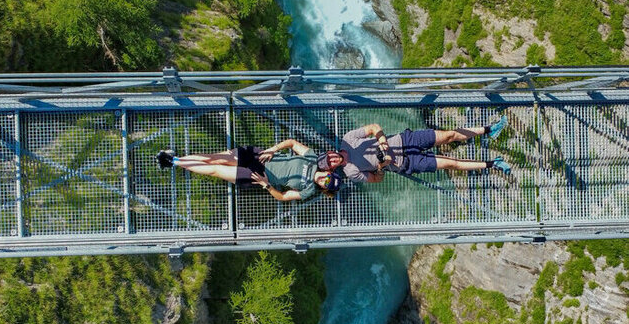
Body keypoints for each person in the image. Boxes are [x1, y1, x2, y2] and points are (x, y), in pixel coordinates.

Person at [318, 115, 511, 183]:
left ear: (330, 153)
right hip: (406, 163)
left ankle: (489, 130)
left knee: (448, 136)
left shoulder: (347, 139)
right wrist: (381, 166)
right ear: (333, 169)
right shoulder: (351, 172)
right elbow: (377, 179)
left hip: (405, 140)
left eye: (330, 158)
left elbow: (373, 128)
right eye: (331, 165)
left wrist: (383, 143)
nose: (333, 161)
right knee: (450, 164)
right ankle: (493, 164)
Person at [156, 138, 343, 202]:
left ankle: (172, 161)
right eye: (328, 178)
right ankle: (174, 159)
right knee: (213, 158)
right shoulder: (311, 158)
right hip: (259, 156)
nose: (323, 181)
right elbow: (292, 143)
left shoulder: (308, 190)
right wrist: (273, 149)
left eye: (327, 185)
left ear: (325, 188)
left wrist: (266, 186)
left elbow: (284, 197)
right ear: (329, 173)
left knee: (214, 170)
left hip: (258, 176)